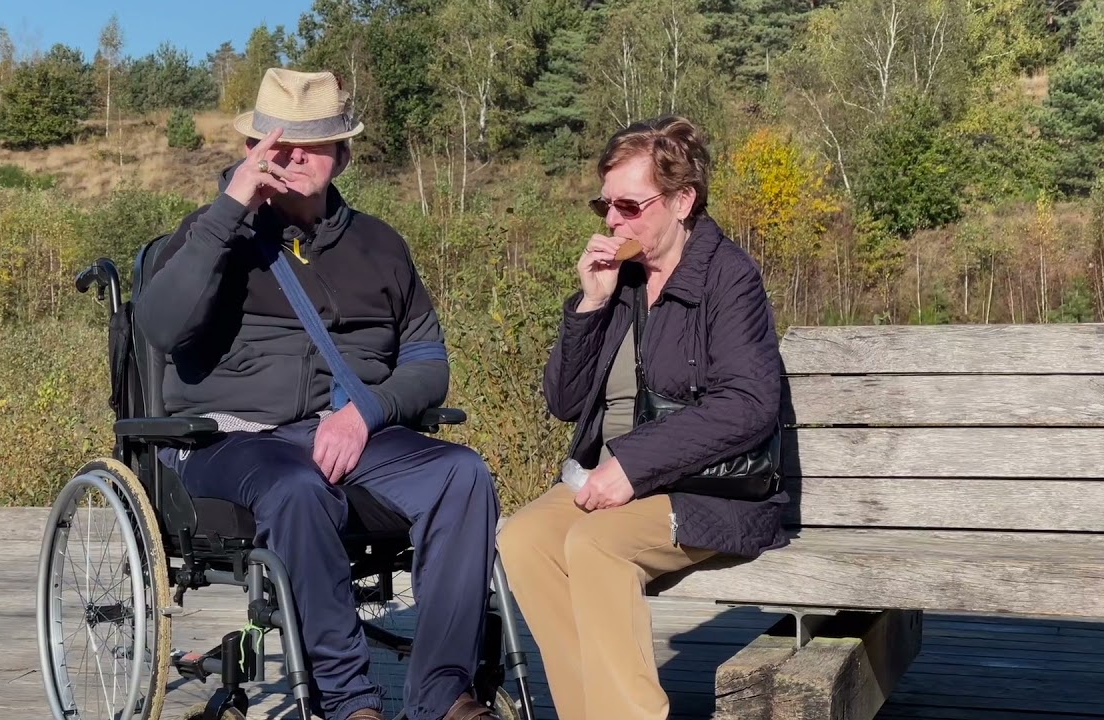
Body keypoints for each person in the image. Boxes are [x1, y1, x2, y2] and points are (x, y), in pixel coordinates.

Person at [136, 67, 500, 720]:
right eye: (280, 143)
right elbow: (160, 325)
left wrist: (366, 411)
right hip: (229, 441)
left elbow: (426, 361)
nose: (296, 157)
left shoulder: (381, 246)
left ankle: (444, 696)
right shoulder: (208, 235)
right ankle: (348, 703)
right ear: (255, 150)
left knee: (462, 474)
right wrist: (229, 212)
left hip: (350, 435)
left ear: (344, 154)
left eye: (314, 143)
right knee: (298, 486)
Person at [497, 115, 788, 720]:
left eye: (629, 205)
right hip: (622, 482)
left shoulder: (728, 279)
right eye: (604, 205)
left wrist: (631, 464)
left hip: (712, 491)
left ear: (683, 200)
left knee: (597, 547)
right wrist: (591, 303)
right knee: (522, 538)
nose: (611, 221)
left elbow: (748, 404)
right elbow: (565, 403)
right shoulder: (621, 280)